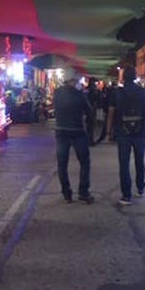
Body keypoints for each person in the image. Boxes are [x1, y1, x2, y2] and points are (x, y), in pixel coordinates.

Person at [107, 66, 145, 205]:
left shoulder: (116, 93)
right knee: (140, 160)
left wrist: (109, 131)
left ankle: (126, 195)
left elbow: (111, 113)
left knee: (124, 163)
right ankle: (140, 187)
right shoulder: (144, 92)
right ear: (135, 76)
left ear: (123, 77)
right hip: (140, 132)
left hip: (122, 132)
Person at [53, 70, 94, 203]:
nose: (78, 83)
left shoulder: (57, 93)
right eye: (76, 80)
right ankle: (83, 192)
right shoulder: (79, 94)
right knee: (84, 161)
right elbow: (89, 111)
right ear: (72, 80)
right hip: (77, 131)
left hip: (61, 131)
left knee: (62, 163)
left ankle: (66, 193)